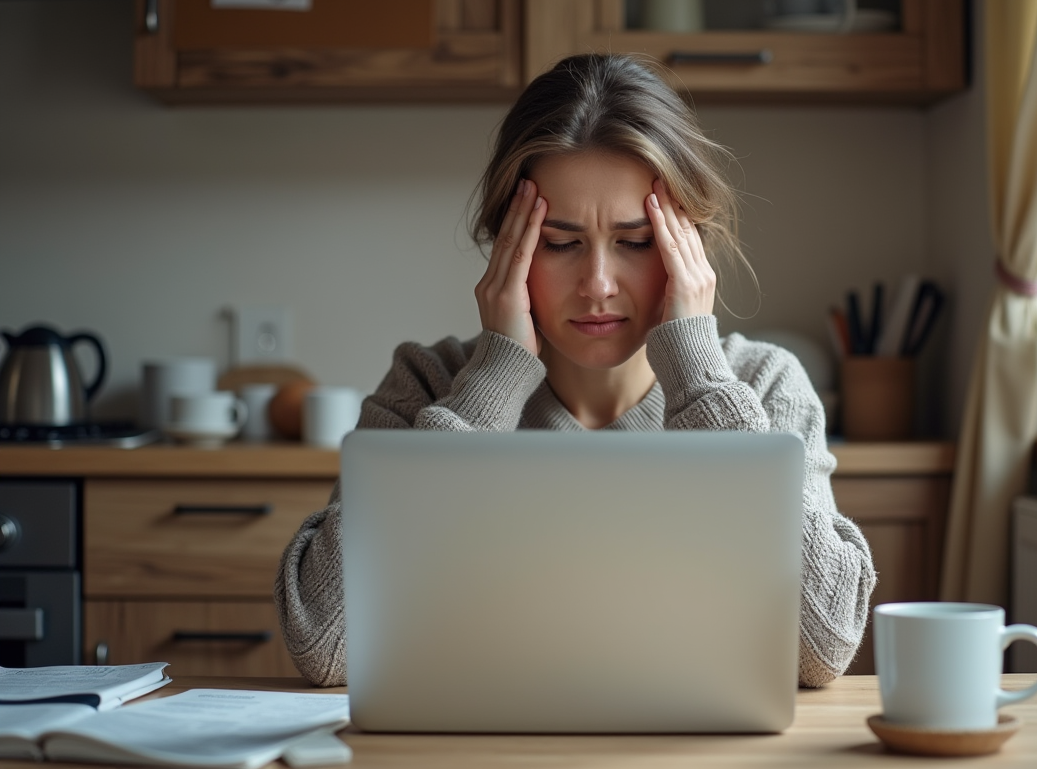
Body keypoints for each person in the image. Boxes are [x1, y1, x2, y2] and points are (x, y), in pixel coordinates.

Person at [275, 52, 876, 688]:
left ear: (688, 244)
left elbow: (822, 647)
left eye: (636, 242)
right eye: (560, 244)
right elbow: (326, 645)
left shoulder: (761, 386)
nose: (597, 285)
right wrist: (491, 384)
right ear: (508, 244)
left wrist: (699, 376)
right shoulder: (430, 384)